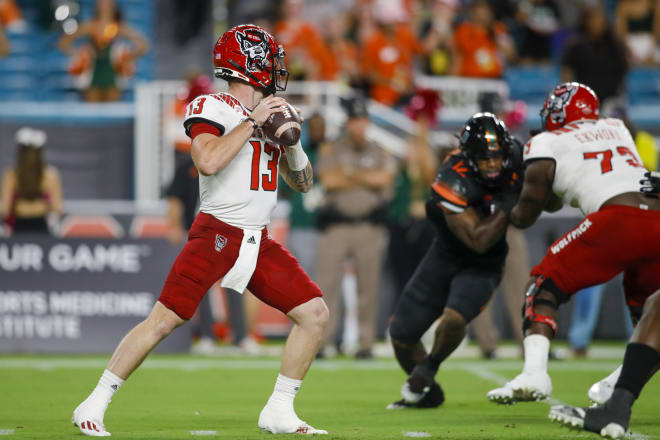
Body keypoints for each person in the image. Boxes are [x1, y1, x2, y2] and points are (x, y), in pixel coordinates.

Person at [71, 24, 329, 436]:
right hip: (217, 232)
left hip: (258, 239)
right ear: (248, 64)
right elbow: (207, 161)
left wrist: (292, 143)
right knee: (163, 321)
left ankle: (279, 409)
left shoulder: (272, 111)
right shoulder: (211, 105)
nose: (278, 68)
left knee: (314, 314)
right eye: (270, 60)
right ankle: (95, 401)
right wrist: (251, 123)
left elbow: (304, 184)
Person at [485, 82, 660, 438]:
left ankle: (535, 374)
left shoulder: (545, 142)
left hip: (617, 219)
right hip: (656, 213)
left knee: (543, 286)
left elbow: (531, 209)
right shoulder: (617, 127)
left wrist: (505, 210)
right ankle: (617, 390)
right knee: (651, 311)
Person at [387, 113, 523, 409]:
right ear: (469, 156)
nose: (493, 163)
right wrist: (509, 203)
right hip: (449, 253)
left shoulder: (518, 156)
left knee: (455, 318)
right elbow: (478, 240)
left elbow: (541, 202)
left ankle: (429, 367)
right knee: (401, 334)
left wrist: (530, 198)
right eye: (484, 157)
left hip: (485, 264)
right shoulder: (451, 178)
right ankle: (429, 393)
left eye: (498, 155)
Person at [316, 93, 396, 359]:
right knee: (326, 286)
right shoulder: (333, 149)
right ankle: (324, 341)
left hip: (368, 226)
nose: (359, 126)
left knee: (368, 288)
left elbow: (385, 179)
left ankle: (365, 344)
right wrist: (366, 179)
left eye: (362, 121)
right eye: (354, 121)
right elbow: (329, 180)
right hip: (336, 225)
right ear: (347, 123)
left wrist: (349, 174)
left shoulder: (379, 151)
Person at [57, 0, 148, 102]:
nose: (104, 4)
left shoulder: (119, 27)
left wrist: (128, 57)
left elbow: (143, 45)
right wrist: (79, 53)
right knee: (92, 111)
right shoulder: (90, 26)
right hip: (93, 73)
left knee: (112, 111)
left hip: (112, 72)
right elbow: (63, 43)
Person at [1, 127, 63, 235]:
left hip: (20, 227)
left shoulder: (11, 175)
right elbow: (57, 208)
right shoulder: (50, 176)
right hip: (38, 226)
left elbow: (4, 209)